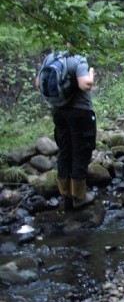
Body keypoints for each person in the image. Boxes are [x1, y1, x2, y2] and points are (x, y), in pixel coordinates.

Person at [36, 40, 97, 211]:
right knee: (81, 150)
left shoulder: (51, 57)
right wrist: (91, 74)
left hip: (59, 112)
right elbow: (84, 84)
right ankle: (79, 196)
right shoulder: (78, 59)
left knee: (64, 151)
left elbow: (38, 83)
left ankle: (65, 195)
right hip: (80, 113)